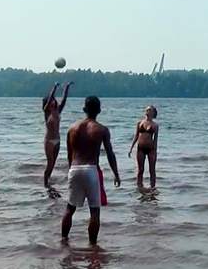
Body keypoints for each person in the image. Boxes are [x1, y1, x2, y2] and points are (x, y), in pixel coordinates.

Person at [63, 96, 121, 244]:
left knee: (70, 208)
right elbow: (110, 153)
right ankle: (92, 246)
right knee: (94, 211)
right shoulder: (101, 129)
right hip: (91, 170)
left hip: (74, 169)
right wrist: (116, 174)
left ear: (84, 109)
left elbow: (69, 155)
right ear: (99, 110)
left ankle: (63, 241)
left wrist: (71, 171)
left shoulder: (72, 128)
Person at [43, 82, 72, 188]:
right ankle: (45, 183)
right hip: (49, 141)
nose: (53, 102)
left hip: (57, 140)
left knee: (53, 163)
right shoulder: (47, 112)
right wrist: (54, 87)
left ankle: (49, 181)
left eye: (54, 101)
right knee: (50, 163)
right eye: (51, 101)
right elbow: (50, 98)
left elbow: (64, 100)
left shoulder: (58, 111)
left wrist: (66, 88)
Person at [128, 106, 159, 188]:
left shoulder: (155, 125)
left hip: (150, 149)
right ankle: (139, 187)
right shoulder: (140, 123)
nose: (147, 111)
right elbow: (136, 136)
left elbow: (155, 140)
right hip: (140, 148)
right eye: (147, 110)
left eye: (149, 110)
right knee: (140, 170)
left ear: (153, 113)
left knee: (152, 170)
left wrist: (155, 152)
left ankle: (152, 187)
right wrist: (131, 148)